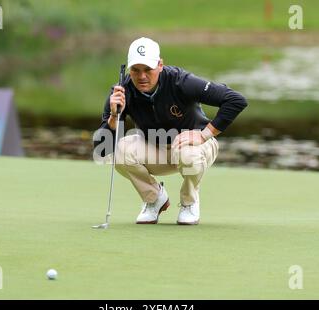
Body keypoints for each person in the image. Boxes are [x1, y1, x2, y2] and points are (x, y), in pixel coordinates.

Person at [94, 37, 248, 225]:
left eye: (148, 69)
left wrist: (204, 134)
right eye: (136, 70)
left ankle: (189, 202)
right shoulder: (121, 92)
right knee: (119, 151)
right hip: (156, 149)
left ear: (160, 65)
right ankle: (154, 199)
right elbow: (102, 151)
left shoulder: (180, 81)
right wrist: (113, 117)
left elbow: (235, 100)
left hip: (196, 147)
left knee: (188, 154)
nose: (142, 76)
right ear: (128, 69)